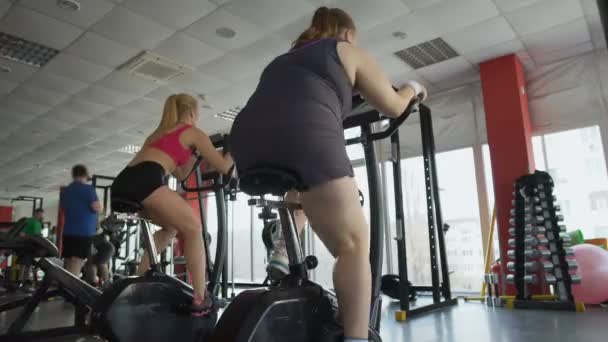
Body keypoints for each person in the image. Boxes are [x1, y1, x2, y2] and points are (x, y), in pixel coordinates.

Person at [229, 7, 428, 341]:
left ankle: (281, 247)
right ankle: (355, 338)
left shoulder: (282, 61)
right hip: (305, 134)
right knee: (352, 245)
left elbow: (292, 100)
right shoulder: (347, 49)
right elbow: (393, 105)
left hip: (245, 143)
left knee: (304, 184)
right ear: (347, 33)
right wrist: (413, 88)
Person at [110, 93, 233, 316]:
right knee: (194, 229)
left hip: (123, 182)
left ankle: (140, 279)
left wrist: (196, 155)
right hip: (147, 180)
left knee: (170, 228)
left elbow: (182, 173)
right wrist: (234, 147)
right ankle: (200, 299)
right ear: (193, 112)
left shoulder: (157, 134)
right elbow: (225, 166)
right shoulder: (193, 132)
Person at [61, 164, 102, 276]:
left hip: (68, 232)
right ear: (85, 175)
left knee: (68, 261)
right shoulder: (88, 190)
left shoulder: (66, 191)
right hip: (83, 232)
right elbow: (96, 207)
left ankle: (64, 288)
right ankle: (69, 290)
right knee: (77, 261)